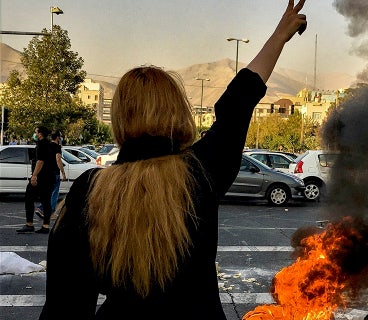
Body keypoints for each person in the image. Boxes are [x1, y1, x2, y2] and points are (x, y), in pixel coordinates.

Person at [39, 1, 307, 319]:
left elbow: (64, 306)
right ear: (177, 111)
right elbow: (239, 102)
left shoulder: (89, 190)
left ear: (119, 117)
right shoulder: (199, 172)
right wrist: (279, 36)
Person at [17, 126, 57, 234]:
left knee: (29, 197)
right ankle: (45, 226)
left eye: (36, 132)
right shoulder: (50, 144)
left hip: (42, 177)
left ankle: (29, 224)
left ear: (40, 134)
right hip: (50, 177)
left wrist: (34, 176)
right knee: (46, 201)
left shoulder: (41, 144)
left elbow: (40, 161)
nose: (35, 134)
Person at [35, 130, 66, 219]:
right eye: (60, 136)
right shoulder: (57, 147)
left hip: (46, 172)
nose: (60, 138)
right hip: (54, 173)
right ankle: (47, 211)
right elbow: (58, 159)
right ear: (57, 137)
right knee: (54, 193)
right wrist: (63, 173)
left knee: (48, 193)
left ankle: (42, 209)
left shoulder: (48, 145)